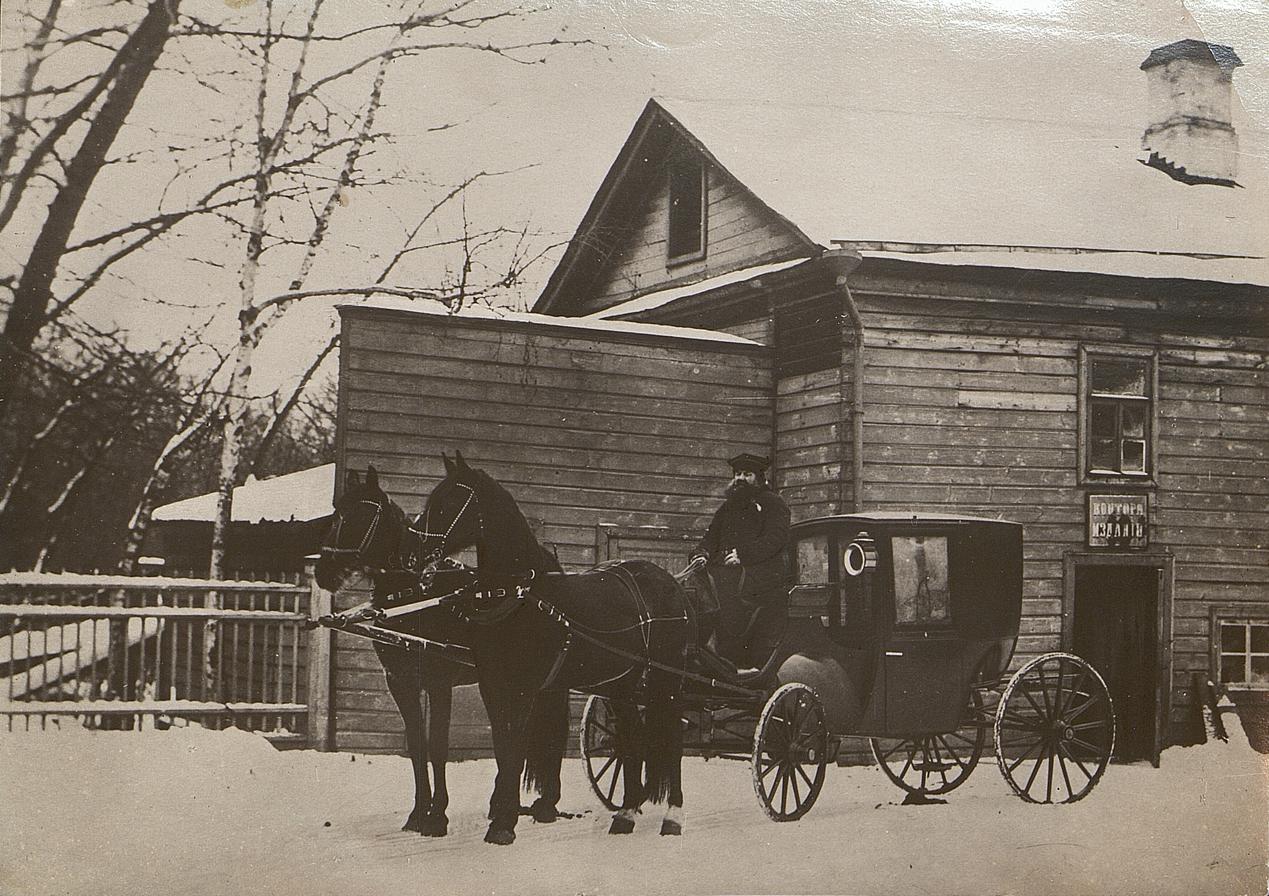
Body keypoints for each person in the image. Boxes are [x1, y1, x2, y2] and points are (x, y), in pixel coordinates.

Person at [690, 453, 791, 672]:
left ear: (759, 477)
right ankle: (705, 657)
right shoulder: (727, 508)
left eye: (747, 474)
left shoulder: (773, 504)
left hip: (761, 576)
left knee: (729, 593)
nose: (740, 478)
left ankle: (738, 663)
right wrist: (702, 553)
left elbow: (775, 540)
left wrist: (743, 555)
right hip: (727, 574)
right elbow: (711, 537)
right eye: (737, 474)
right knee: (699, 592)